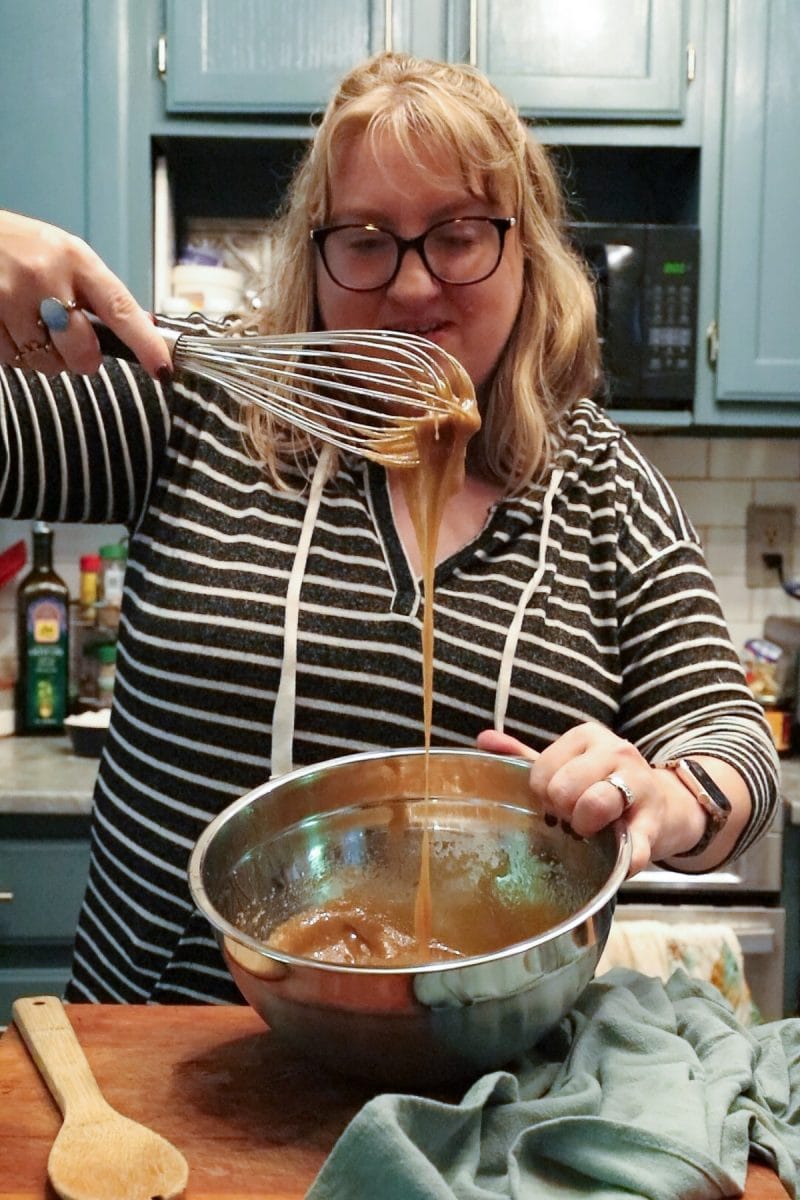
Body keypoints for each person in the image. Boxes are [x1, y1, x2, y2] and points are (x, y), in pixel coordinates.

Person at [0, 52, 778, 1005]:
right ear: (315, 255)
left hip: (466, 1100)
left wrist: (672, 796)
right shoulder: (192, 406)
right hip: (151, 1085)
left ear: (524, 247)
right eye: (366, 240)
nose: (412, 288)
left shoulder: (607, 491)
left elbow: (730, 737)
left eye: (458, 234)